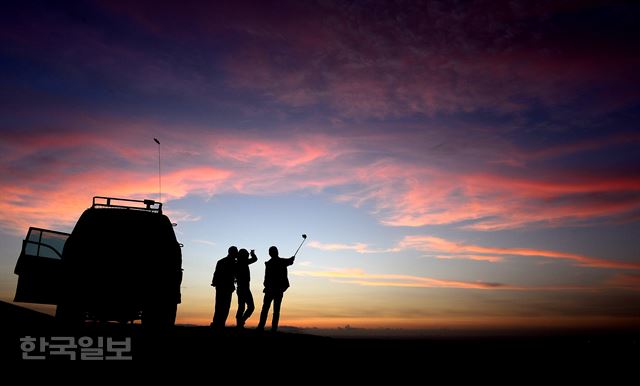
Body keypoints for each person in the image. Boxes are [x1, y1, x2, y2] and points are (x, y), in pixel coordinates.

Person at [257, 246, 295, 332]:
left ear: (270, 254)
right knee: (276, 310)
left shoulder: (269, 263)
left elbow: (266, 277)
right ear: (276, 252)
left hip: (269, 289)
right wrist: (292, 259)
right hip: (278, 289)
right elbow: (290, 262)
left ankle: (261, 326)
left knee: (265, 309)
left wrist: (266, 286)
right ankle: (273, 328)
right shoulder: (281, 261)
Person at [210, 246, 237, 329]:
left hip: (220, 286)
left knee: (219, 305)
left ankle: (217, 323)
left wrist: (214, 282)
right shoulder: (234, 263)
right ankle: (220, 324)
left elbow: (216, 273)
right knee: (225, 306)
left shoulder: (221, 261)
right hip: (227, 287)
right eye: (236, 252)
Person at [235, 248, 258, 328]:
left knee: (242, 306)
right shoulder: (243, 262)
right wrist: (252, 253)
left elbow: (254, 259)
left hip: (241, 288)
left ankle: (240, 322)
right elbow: (255, 259)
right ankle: (240, 322)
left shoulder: (238, 263)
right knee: (250, 307)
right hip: (244, 288)